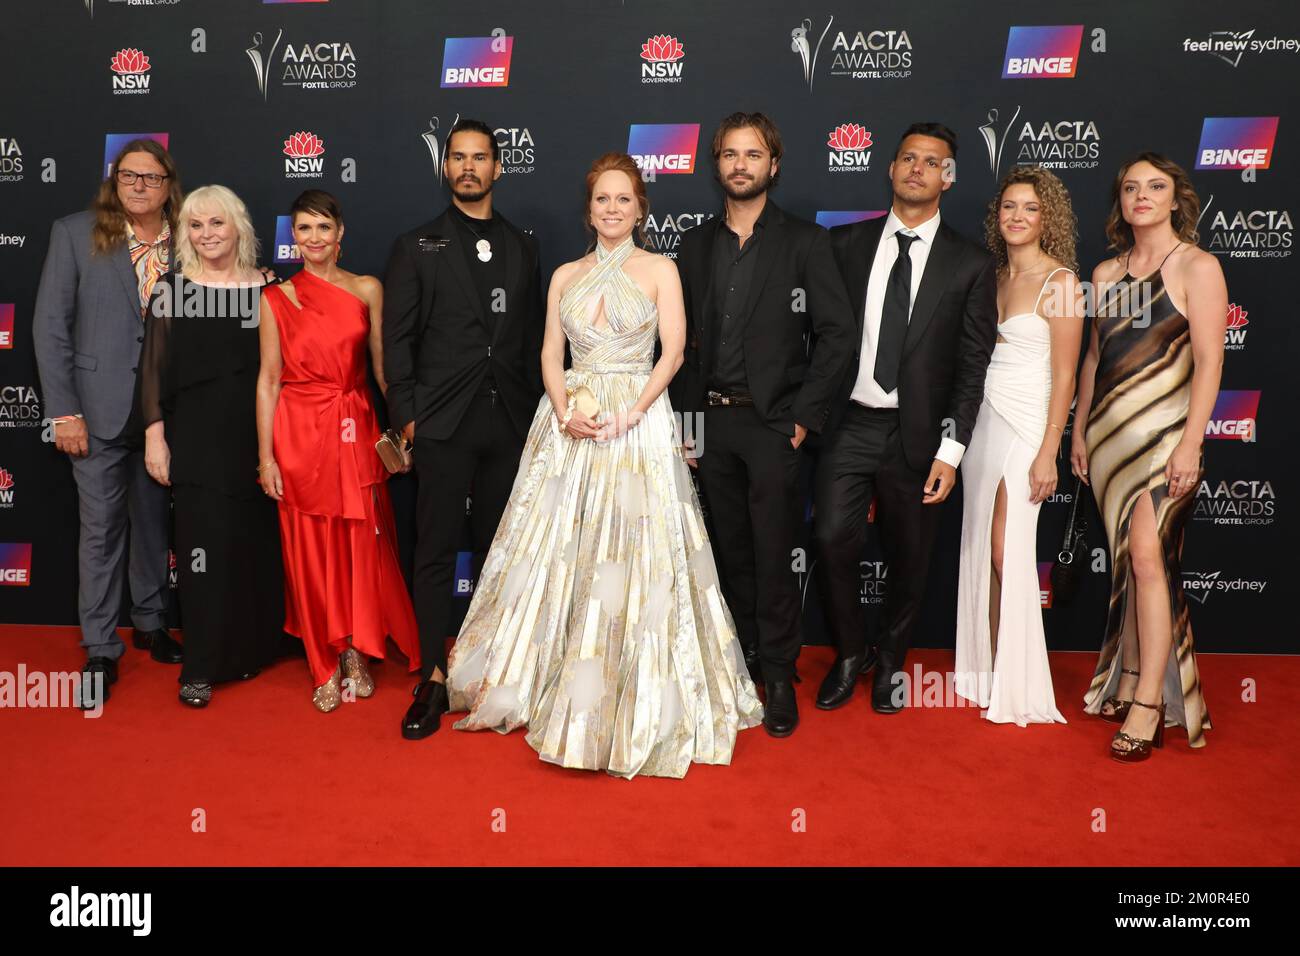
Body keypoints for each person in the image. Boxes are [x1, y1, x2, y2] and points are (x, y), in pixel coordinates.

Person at [445, 152, 763, 779]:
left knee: (635, 553)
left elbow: (673, 353)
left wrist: (633, 412)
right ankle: (541, 677)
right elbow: (546, 353)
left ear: (641, 208)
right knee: (557, 547)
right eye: (601, 199)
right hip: (568, 424)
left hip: (638, 422)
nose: (611, 209)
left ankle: (631, 695)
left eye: (623, 199)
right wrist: (564, 409)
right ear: (587, 210)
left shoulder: (661, 269)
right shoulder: (564, 273)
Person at [670, 112, 856, 738]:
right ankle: (739, 659)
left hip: (774, 425)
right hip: (709, 423)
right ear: (715, 164)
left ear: (773, 165)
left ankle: (778, 673)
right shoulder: (694, 246)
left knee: (776, 553)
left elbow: (837, 336)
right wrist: (688, 428)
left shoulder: (806, 242)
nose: (740, 165)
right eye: (729, 154)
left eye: (753, 154)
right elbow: (681, 346)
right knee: (728, 551)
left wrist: (803, 419)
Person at [817, 122, 999, 714]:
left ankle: (892, 658)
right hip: (849, 422)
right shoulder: (843, 245)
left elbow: (974, 367)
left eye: (932, 162)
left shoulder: (970, 263)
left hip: (918, 433)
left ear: (948, 177)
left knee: (911, 555)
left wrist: (952, 451)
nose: (917, 169)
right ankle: (849, 654)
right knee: (832, 539)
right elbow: (815, 339)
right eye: (907, 158)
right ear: (890, 169)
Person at [382, 118, 545, 740]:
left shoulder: (524, 245)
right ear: (445, 167)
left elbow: (532, 336)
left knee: (500, 556)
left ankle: (493, 671)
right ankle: (432, 675)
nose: (469, 167)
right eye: (458, 158)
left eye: (480, 157)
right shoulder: (416, 245)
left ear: (498, 167)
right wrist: (407, 414)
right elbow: (396, 340)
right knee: (435, 552)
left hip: (508, 422)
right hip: (442, 424)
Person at [1071, 153, 1226, 761]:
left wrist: (1192, 441)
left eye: (1155, 187)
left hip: (1166, 441)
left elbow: (1211, 362)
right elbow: (1091, 360)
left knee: (1148, 557)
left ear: (1174, 198)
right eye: (1131, 187)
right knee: (1129, 565)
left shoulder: (1198, 267)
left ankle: (1150, 705)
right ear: (1121, 200)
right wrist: (1079, 431)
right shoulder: (1105, 273)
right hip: (1111, 441)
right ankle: (1133, 677)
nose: (1142, 196)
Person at [33, 137, 185, 707]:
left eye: (151, 177)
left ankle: (149, 622)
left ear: (168, 185)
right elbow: (50, 326)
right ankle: (100, 645)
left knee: (153, 522)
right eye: (129, 177)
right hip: (94, 410)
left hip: (162, 414)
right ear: (113, 182)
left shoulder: (189, 240)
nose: (140, 186)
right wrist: (63, 411)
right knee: (100, 530)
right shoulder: (75, 233)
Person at [256, 190, 420, 712]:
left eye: (323, 228)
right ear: (293, 237)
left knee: (359, 543)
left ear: (341, 233)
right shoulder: (275, 298)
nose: (314, 238)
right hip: (299, 431)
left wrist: (401, 433)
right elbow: (268, 382)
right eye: (303, 229)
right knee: (309, 548)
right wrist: (266, 457)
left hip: (354, 425)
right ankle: (324, 662)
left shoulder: (368, 288)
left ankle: (356, 651)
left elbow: (381, 371)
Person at [139, 184, 285, 707]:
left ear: (238, 227)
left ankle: (252, 650)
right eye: (196, 226)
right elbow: (152, 372)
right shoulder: (173, 290)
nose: (207, 235)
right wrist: (155, 435)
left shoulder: (268, 289)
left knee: (253, 546)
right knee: (202, 552)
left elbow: (282, 369)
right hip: (196, 440)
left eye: (217, 224)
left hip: (258, 437)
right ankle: (199, 665)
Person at [953, 166, 1084, 725]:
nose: (1017, 217)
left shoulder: (1062, 283)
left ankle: (1019, 680)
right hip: (983, 421)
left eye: (1029, 208)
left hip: (1030, 424)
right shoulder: (994, 277)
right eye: (1008, 206)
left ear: (1046, 217)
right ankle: (987, 670)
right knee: (982, 544)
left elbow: (1066, 373)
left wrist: (1049, 448)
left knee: (1009, 551)